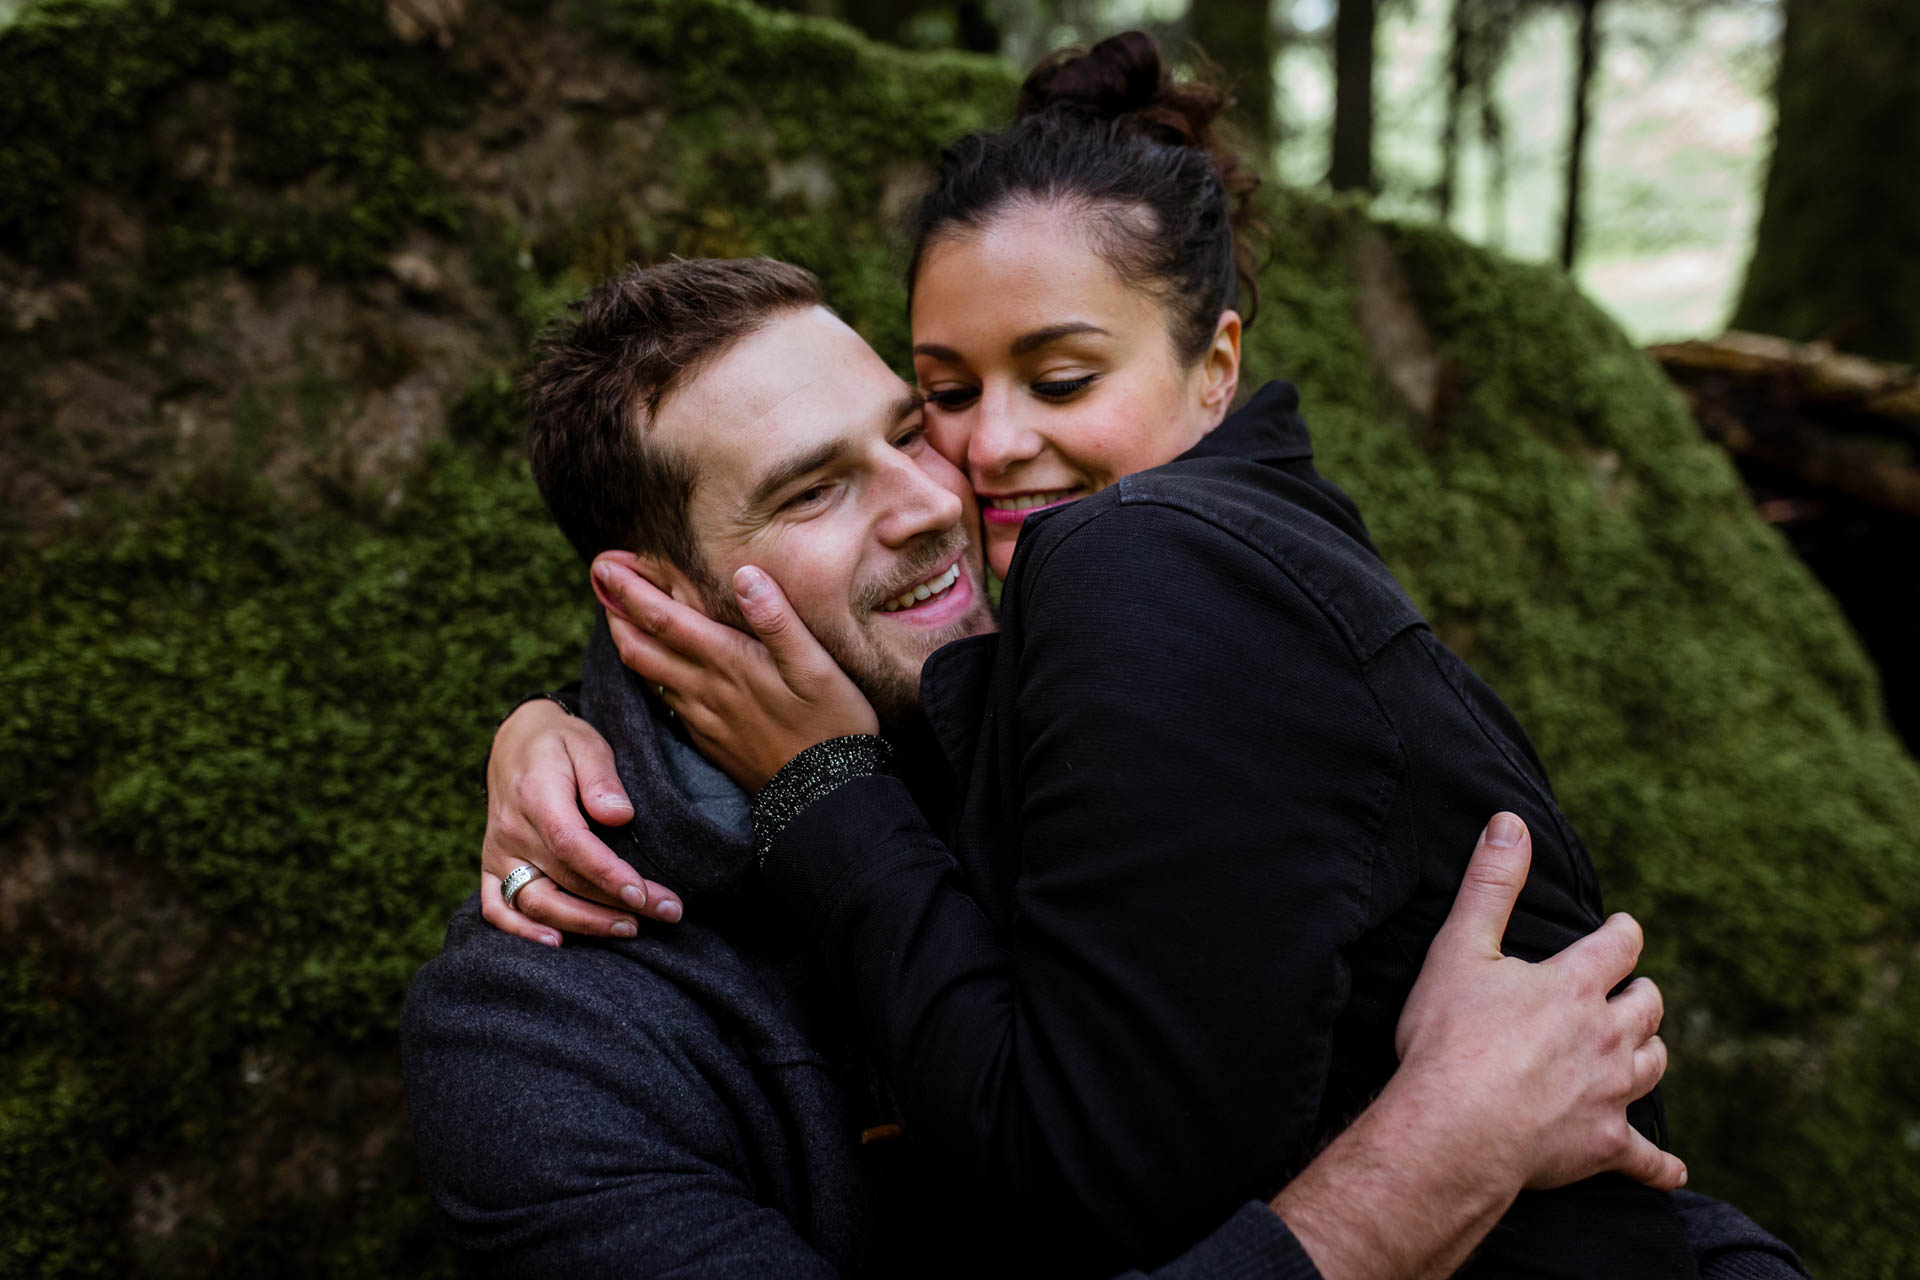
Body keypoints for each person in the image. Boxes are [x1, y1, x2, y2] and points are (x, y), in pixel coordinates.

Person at [472, 34, 1804, 1280]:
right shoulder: (541, 1042)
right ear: (651, 604)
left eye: (905, 427)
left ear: (1216, 367)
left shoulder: (1137, 597)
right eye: (823, 486)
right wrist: (1434, 1158)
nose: (955, 482)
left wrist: (818, 780)